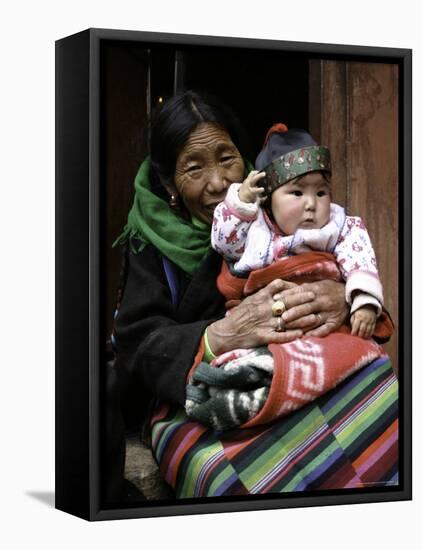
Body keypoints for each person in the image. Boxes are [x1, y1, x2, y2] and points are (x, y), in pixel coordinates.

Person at [107, 90, 398, 501]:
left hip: (296, 365)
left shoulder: (282, 212)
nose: (219, 182)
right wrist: (222, 334)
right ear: (169, 182)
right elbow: (137, 349)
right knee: (229, 478)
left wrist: (344, 296)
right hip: (198, 395)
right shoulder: (148, 244)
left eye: (227, 159)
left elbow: (347, 259)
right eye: (193, 168)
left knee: (381, 408)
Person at [211, 123, 383, 339]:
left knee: (356, 356)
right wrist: (241, 203)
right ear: (268, 200)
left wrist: (363, 300)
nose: (311, 203)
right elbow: (224, 244)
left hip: (325, 326)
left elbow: (361, 259)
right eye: (297, 192)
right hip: (261, 325)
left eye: (321, 192)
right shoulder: (256, 227)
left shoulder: (339, 225)